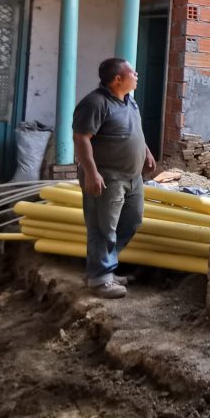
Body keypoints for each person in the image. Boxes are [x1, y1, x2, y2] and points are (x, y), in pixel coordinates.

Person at [72, 57, 155, 299]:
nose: (136, 75)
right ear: (118, 79)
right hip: (107, 178)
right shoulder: (95, 103)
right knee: (102, 228)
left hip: (132, 177)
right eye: (132, 72)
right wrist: (91, 172)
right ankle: (100, 278)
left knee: (131, 221)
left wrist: (147, 153)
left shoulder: (130, 101)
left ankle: (104, 267)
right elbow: (81, 138)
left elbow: (135, 131)